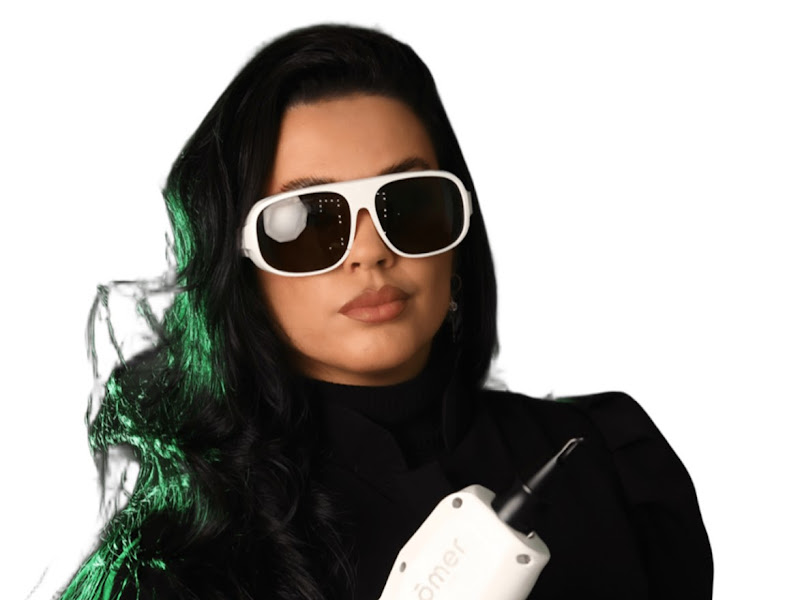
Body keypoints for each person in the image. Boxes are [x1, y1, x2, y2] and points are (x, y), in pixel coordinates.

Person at [59, 24, 712, 600]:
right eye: (308, 221)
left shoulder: (609, 462)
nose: (370, 252)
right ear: (242, 267)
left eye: (410, 204)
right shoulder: (177, 558)